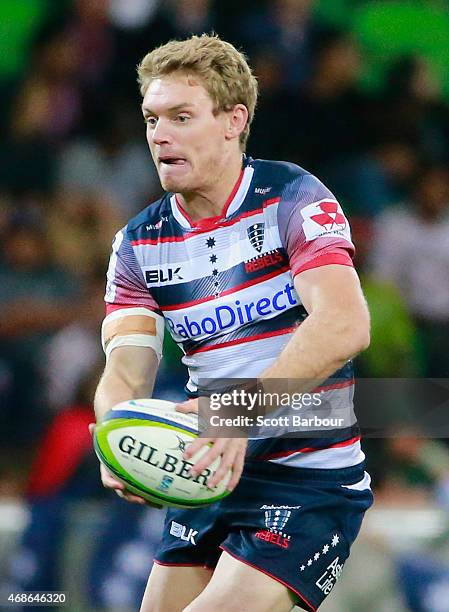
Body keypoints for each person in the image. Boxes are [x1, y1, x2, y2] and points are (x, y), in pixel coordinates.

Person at [93, 34, 373, 612]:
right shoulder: (139, 243)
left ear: (232, 121)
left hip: (307, 482)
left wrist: (237, 413)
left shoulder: (291, 197)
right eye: (151, 118)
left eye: (180, 116)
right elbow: (125, 365)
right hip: (207, 473)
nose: (159, 134)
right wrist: (112, 435)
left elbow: (344, 324)